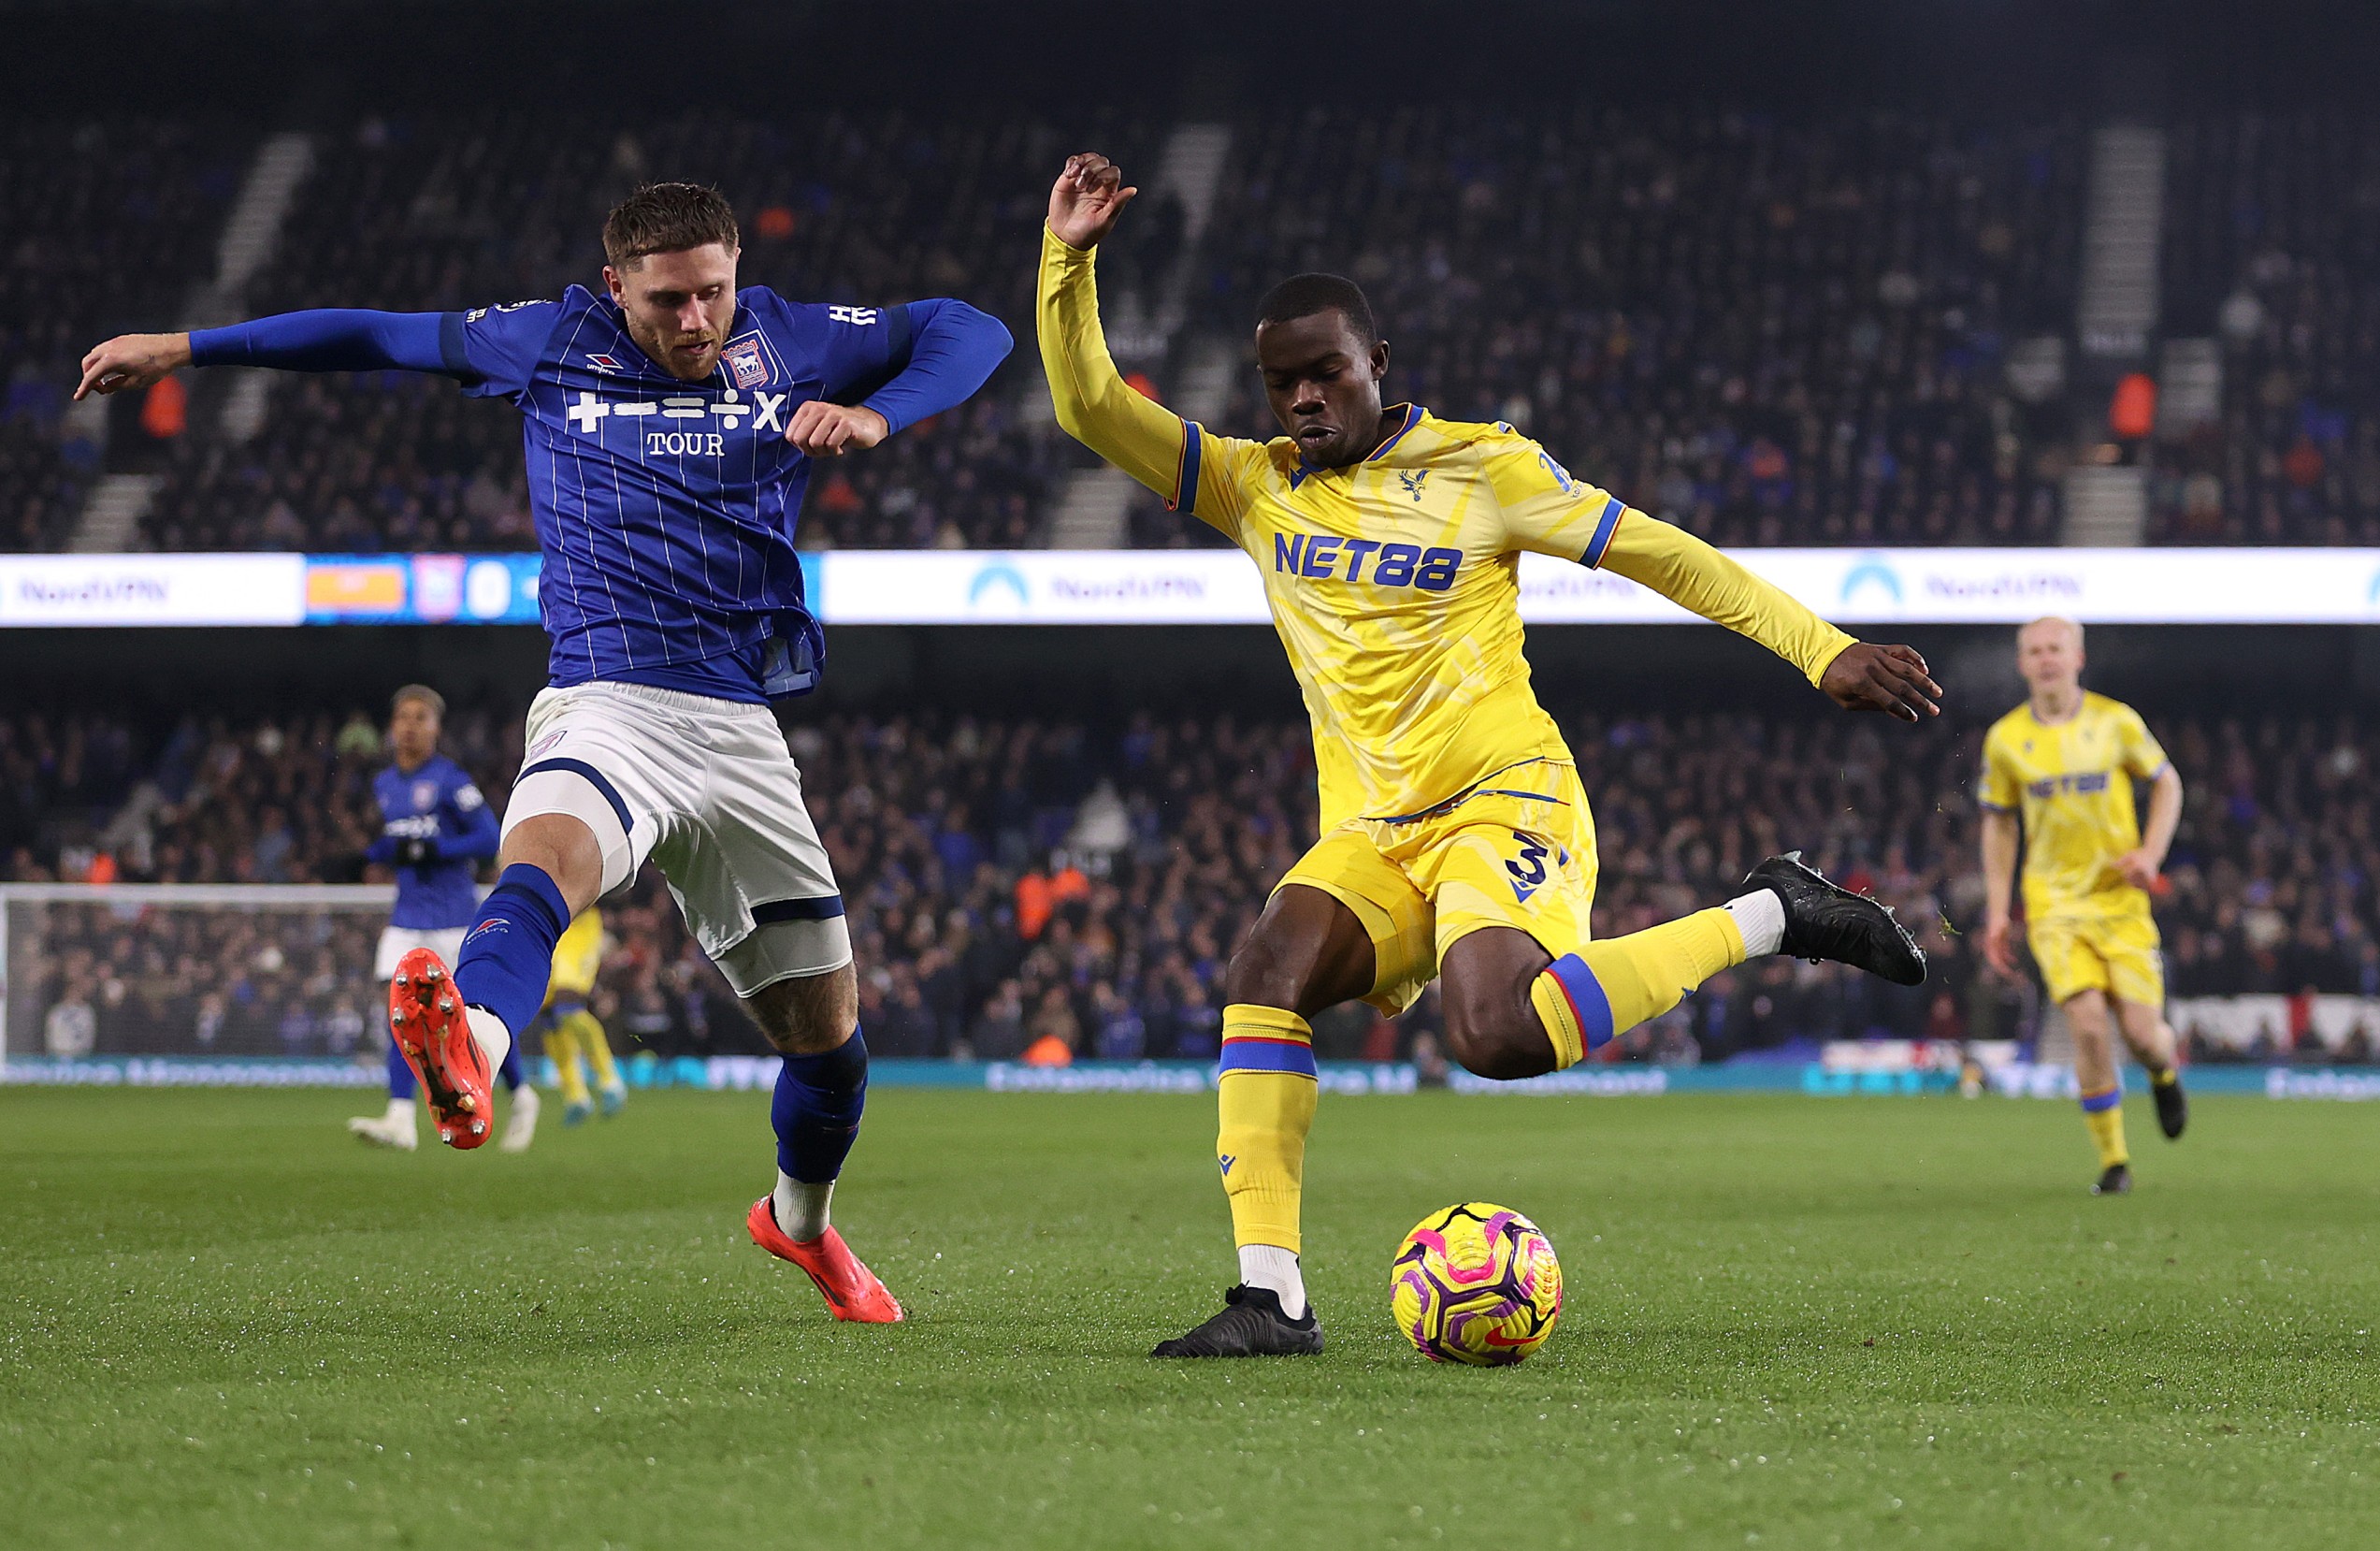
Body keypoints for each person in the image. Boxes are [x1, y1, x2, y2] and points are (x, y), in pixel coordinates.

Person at [1039, 153, 1939, 1357]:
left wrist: (1816, 647)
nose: (1300, 400)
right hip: (1373, 831)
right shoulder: (1251, 487)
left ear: (1377, 366)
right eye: (1279, 383)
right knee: (1267, 967)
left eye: (1324, 374)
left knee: (1495, 1036)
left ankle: (1774, 913)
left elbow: (1664, 554)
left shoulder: (1485, 469)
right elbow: (1089, 405)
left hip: (1505, 795)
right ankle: (1271, 1297)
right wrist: (1070, 260)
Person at [81, 181, 1012, 1321]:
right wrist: (183, 347)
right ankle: (465, 1042)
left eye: (711, 292)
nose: (695, 321)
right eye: (668, 300)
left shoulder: (792, 336)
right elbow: (370, 336)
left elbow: (977, 327)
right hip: (604, 698)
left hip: (739, 730)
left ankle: (800, 1223)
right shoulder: (544, 339)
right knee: (547, 864)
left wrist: (883, 413)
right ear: (614, 285)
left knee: (830, 1051)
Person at [1980, 616, 2188, 1195]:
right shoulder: (2005, 740)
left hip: (2120, 901)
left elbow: (2168, 784)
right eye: (2035, 650)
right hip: (2053, 905)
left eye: (2056, 648)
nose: (2046, 659)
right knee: (2090, 1028)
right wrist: (1999, 912)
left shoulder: (2116, 722)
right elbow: (1997, 825)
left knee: (2145, 1037)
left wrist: (2150, 852)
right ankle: (2115, 1161)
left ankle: (2165, 1074)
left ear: (2078, 656)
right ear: (2022, 663)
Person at [347, 686, 540, 1153]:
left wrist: (436, 849)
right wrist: (366, 856)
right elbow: (396, 844)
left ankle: (522, 1092)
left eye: (420, 718)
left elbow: (488, 836)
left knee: (469, 1019)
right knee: (401, 1013)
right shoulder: (386, 784)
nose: (410, 726)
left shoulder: (451, 781)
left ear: (436, 728)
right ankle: (400, 1117)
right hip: (406, 915)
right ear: (391, 728)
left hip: (453, 918)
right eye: (403, 718)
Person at [533, 906, 623, 1127]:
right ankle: (576, 1096)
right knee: (549, 1017)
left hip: (580, 923)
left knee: (568, 1004)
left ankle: (610, 1080)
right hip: (549, 925)